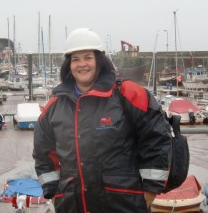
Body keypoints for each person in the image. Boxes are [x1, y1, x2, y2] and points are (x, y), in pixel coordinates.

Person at [33, 28, 172, 213]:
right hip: (73, 206)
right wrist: (54, 193)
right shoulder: (53, 107)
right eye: (75, 59)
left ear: (99, 61)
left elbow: (156, 138)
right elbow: (44, 153)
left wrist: (150, 188)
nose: (82, 64)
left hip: (124, 205)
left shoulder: (129, 94)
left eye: (88, 57)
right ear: (69, 65)